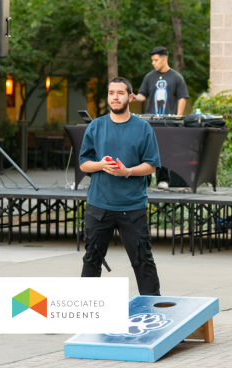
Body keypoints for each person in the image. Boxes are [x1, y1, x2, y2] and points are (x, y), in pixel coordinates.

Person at [79, 77, 161, 296]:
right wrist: (100, 164)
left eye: (121, 93)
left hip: (132, 207)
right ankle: (86, 313)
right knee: (91, 261)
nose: (115, 97)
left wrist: (127, 172)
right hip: (99, 206)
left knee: (143, 261)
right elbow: (84, 163)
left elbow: (151, 165)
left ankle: (154, 312)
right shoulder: (96, 126)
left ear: (130, 97)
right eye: (111, 93)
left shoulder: (143, 128)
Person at [133, 46, 190, 190]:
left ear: (164, 60)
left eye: (156, 60)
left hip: (167, 123)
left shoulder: (176, 77)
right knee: (146, 150)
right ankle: (144, 180)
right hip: (150, 122)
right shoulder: (149, 77)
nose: (153, 63)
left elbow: (182, 97)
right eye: (152, 60)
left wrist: (178, 116)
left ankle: (163, 180)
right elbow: (142, 95)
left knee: (164, 150)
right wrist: (133, 97)